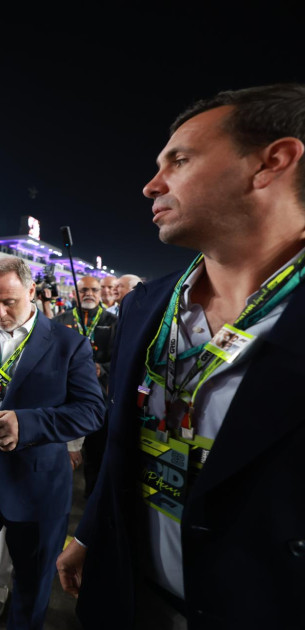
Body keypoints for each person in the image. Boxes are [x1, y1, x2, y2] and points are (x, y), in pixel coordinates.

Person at [57, 84, 305, 629]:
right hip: (131, 597)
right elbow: (121, 444)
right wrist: (90, 534)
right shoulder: (147, 305)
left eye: (180, 161)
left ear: (272, 163)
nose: (152, 185)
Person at [0, 256, 103, 630]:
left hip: (38, 488)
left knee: (32, 588)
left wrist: (28, 423)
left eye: (10, 302)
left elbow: (91, 411)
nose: (0, 313)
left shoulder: (68, 344)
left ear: (32, 291)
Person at [52, 275, 117, 497]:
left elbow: (122, 358)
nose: (89, 294)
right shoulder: (60, 320)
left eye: (94, 290)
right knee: (63, 457)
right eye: (83, 290)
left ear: (101, 293)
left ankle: (93, 503)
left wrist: (102, 368)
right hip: (66, 400)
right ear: (75, 293)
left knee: (96, 458)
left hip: (101, 400)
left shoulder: (113, 321)